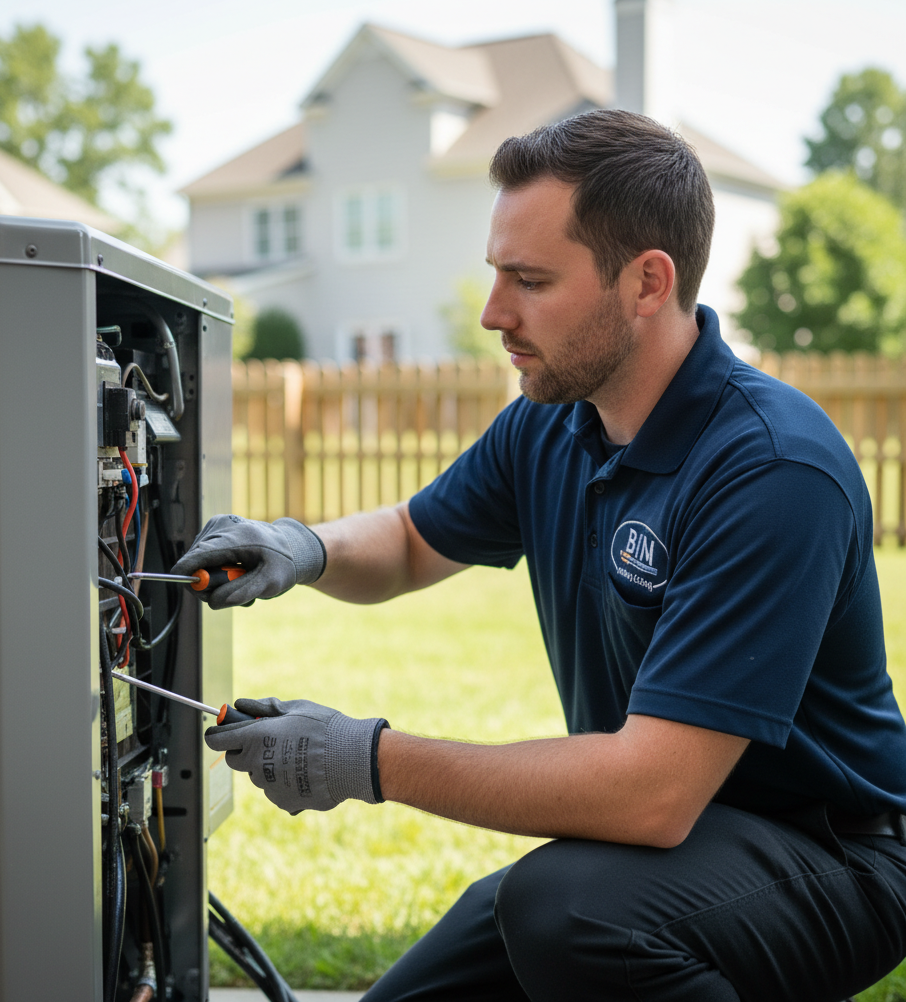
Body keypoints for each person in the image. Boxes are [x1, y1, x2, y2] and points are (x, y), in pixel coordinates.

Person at [173, 110, 906, 1002]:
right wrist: (301, 547)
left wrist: (364, 759)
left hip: (828, 852)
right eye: (496, 274)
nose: (493, 313)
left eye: (529, 280)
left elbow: (651, 794)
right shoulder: (552, 422)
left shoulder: (771, 469)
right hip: (650, 854)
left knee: (569, 913)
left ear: (646, 282)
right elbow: (410, 540)